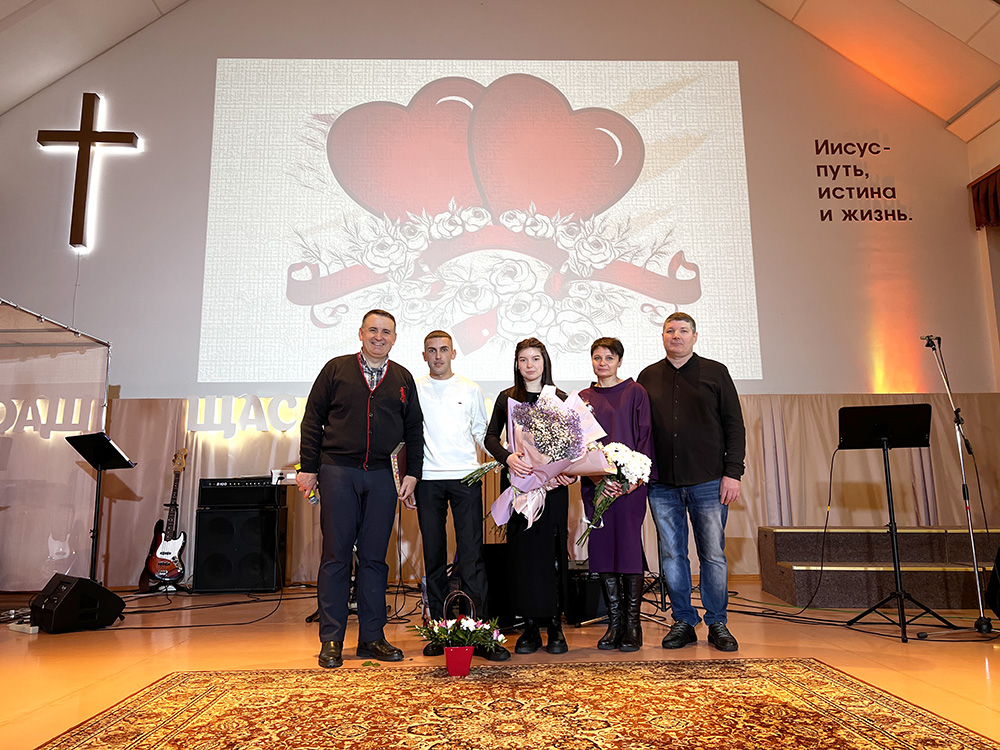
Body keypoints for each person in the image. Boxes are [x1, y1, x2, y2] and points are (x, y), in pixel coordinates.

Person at [297, 309, 423, 668]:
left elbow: (414, 429)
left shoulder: (403, 377)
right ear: (361, 333)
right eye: (373, 330)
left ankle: (372, 637)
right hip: (338, 472)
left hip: (383, 477)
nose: (379, 337)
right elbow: (312, 419)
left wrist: (413, 473)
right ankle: (331, 639)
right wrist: (308, 468)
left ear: (394, 338)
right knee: (336, 556)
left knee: (374, 558)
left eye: (386, 332)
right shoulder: (335, 369)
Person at [637, 312, 745, 652]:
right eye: (670, 330)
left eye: (683, 330)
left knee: (712, 555)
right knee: (672, 556)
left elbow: (734, 425)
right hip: (662, 484)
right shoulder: (647, 377)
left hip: (709, 480)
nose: (676, 336)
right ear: (662, 336)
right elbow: (640, 430)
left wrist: (733, 473)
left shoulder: (716, 372)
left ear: (694, 337)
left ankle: (717, 622)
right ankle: (683, 619)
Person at [415, 330, 510, 662]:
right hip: (428, 479)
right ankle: (440, 631)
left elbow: (482, 433)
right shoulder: (414, 388)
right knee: (434, 557)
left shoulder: (470, 388)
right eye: (432, 351)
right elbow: (408, 436)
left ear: (454, 353)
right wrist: (406, 479)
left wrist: (508, 455)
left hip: (466, 478)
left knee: (471, 556)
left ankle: (478, 632)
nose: (438, 356)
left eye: (443, 350)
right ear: (424, 355)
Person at [484, 337, 575, 655]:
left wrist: (569, 472)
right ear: (517, 364)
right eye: (523, 360)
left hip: (553, 489)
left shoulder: (559, 398)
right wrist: (508, 457)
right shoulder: (507, 398)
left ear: (544, 361)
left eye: (535, 359)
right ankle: (530, 627)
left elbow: (575, 448)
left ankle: (555, 626)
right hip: (520, 485)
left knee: (552, 555)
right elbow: (490, 437)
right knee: (523, 557)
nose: (529, 365)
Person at [579, 337, 654, 652]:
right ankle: (614, 623)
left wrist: (632, 481)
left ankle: (633, 626)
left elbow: (645, 437)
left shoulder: (636, 392)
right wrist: (597, 477)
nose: (602, 363)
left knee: (628, 549)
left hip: (629, 488)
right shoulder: (582, 399)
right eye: (597, 357)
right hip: (595, 486)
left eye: (609, 358)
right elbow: (578, 447)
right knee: (603, 550)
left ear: (619, 361)